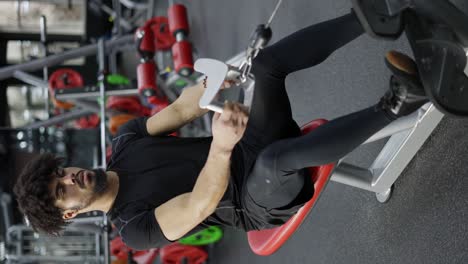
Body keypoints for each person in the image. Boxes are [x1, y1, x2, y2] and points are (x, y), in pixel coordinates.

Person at [13, 12, 427, 249]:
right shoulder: (134, 228)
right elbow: (198, 204)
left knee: (266, 66)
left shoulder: (125, 144)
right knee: (274, 160)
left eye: (61, 172)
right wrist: (222, 148)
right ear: (70, 211)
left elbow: (177, 108)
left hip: (244, 144)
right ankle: (396, 104)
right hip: (254, 201)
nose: (70, 178)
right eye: (62, 189)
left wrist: (219, 80)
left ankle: (369, 16)